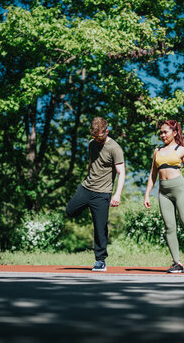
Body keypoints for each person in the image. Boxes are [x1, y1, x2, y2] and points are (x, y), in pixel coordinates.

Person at [144, 120, 184, 273]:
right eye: (161, 132)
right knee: (169, 227)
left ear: (174, 133)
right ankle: (177, 262)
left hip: (179, 188)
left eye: (166, 132)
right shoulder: (156, 151)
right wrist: (146, 195)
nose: (162, 135)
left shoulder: (181, 150)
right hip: (163, 192)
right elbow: (153, 175)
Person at [66, 117, 125, 272]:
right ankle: (88, 206)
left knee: (100, 227)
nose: (97, 139)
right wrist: (87, 179)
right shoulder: (92, 144)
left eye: (99, 136)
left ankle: (100, 260)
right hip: (87, 187)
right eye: (94, 136)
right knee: (70, 211)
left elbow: (121, 172)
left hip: (103, 193)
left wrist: (117, 194)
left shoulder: (115, 148)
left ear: (107, 131)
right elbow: (92, 163)